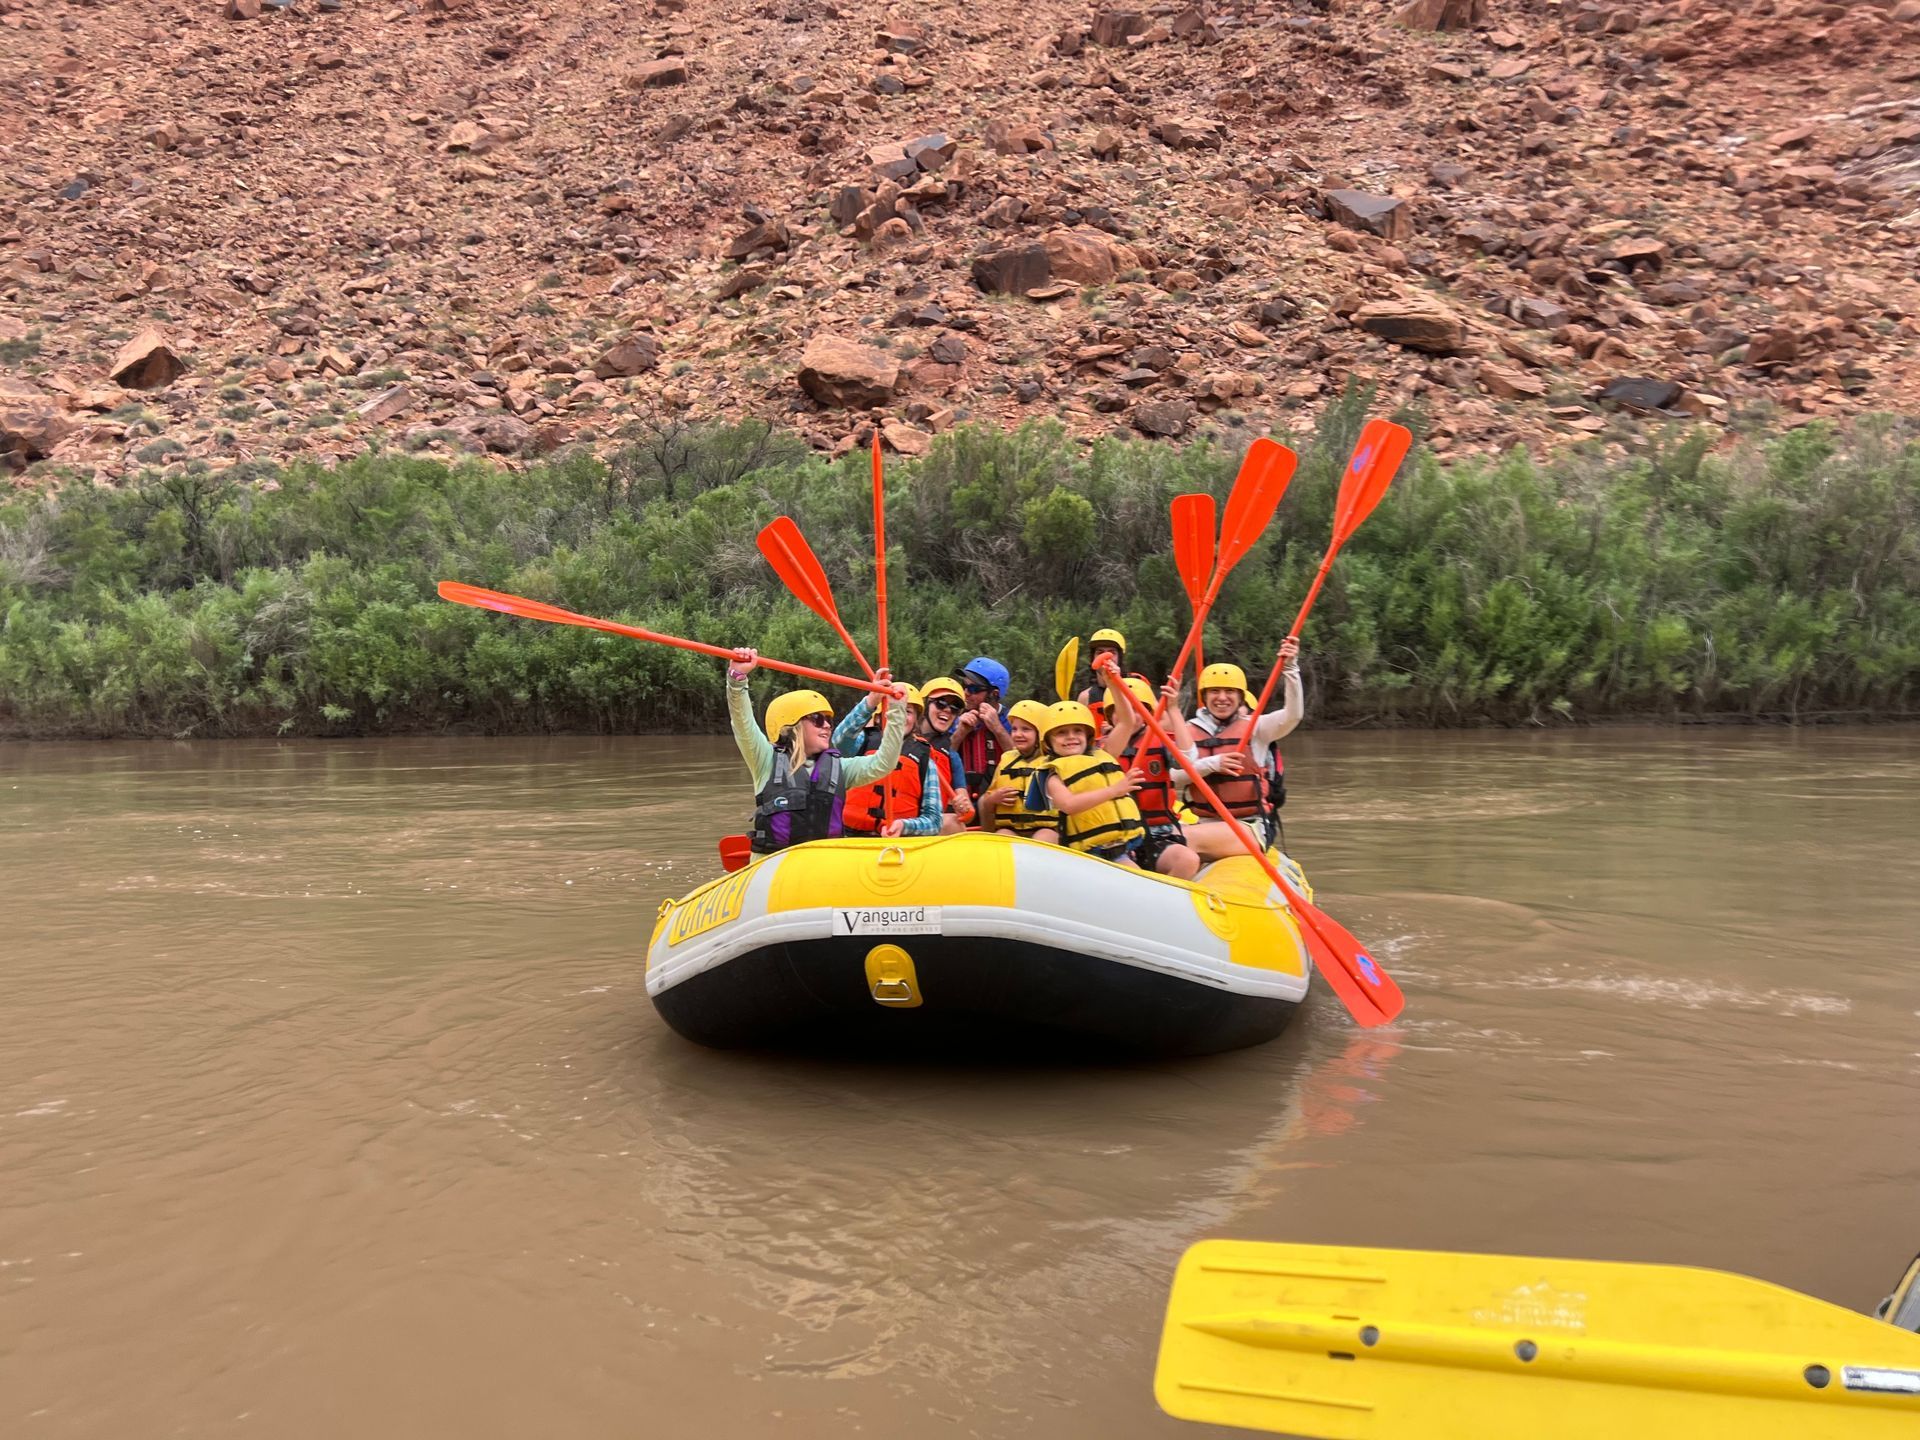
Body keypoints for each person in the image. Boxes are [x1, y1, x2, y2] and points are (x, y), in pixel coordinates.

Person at [726, 648, 907, 853]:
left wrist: (896, 711)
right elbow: (742, 723)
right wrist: (737, 679)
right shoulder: (764, 760)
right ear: (791, 725)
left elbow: (884, 763)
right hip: (776, 863)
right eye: (818, 719)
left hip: (823, 864)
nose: (827, 726)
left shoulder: (839, 768)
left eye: (828, 720)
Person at [1182, 638, 1304, 859]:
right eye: (1214, 691)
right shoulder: (1188, 730)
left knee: (1178, 838)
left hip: (1248, 827)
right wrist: (1212, 764)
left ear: (1240, 697)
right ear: (1205, 696)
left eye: (1230, 691)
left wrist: (1290, 668)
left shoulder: (1257, 728)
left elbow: (1293, 715)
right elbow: (1173, 778)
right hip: (1203, 821)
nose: (1222, 697)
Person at [1100, 676, 1203, 880]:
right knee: (1129, 872)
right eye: (1122, 710)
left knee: (1188, 860)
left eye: (1137, 709)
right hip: (1116, 836)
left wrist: (1173, 710)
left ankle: (1164, 902)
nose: (1130, 715)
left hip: (1158, 832)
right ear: (1110, 714)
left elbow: (1188, 760)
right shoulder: (1101, 749)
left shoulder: (1160, 741)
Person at [1031, 700, 1145, 864]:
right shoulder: (1052, 775)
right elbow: (1068, 805)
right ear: (1048, 742)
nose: (1071, 736)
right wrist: (1114, 790)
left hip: (1118, 851)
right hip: (1083, 857)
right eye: (1061, 732)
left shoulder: (1106, 754)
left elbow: (1127, 721)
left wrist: (1112, 682)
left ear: (1088, 736)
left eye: (1077, 731)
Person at [833, 686, 948, 839]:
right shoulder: (863, 741)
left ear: (915, 720)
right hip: (847, 837)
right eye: (892, 708)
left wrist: (904, 826)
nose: (899, 714)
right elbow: (838, 742)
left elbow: (934, 821)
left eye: (907, 711)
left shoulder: (925, 760)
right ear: (880, 716)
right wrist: (870, 702)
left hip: (894, 844)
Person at [978, 699, 1061, 843]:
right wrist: (993, 798)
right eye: (1014, 729)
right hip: (1010, 828)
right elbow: (988, 800)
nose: (1018, 734)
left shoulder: (1053, 762)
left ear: (1041, 732)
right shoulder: (1007, 760)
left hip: (1045, 828)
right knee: (1003, 836)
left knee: (1045, 838)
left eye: (1026, 729)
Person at [913, 676, 976, 833]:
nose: (947, 710)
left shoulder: (951, 755)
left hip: (923, 827)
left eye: (954, 707)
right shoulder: (900, 739)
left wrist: (964, 809)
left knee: (955, 824)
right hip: (893, 821)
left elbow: (968, 814)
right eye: (941, 703)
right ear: (925, 705)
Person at [950, 656, 1013, 803]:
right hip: (963, 802)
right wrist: (960, 733)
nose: (966, 693)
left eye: (974, 689)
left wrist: (997, 728)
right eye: (964, 686)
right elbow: (941, 758)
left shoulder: (1012, 719)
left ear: (994, 694)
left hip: (999, 802)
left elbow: (1023, 760)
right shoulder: (953, 715)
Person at [1074, 628, 1128, 710]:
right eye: (1100, 652)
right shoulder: (1085, 697)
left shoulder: (1136, 689)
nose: (1105, 657)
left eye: (1112, 652)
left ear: (1119, 658)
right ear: (1093, 658)